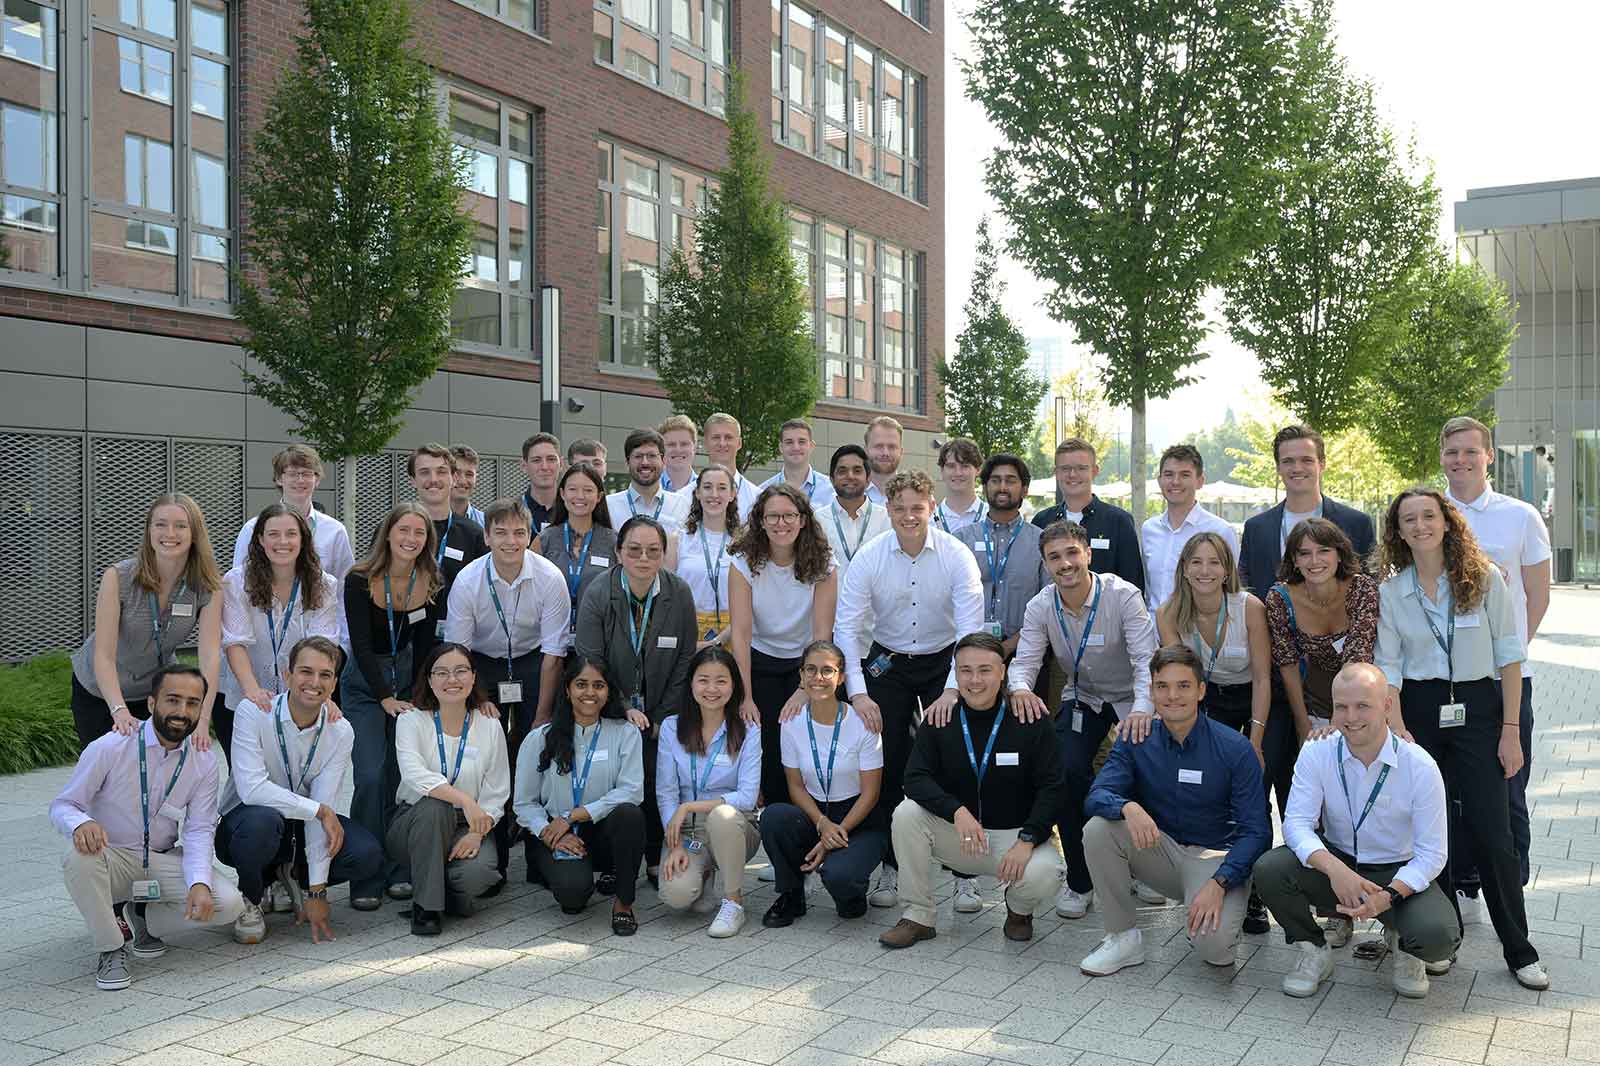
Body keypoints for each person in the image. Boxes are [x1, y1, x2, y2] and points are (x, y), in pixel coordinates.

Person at [1374, 487, 1549, 990]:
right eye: (1409, 519)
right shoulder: (1392, 591)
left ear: (1447, 522)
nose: (1420, 526)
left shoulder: (1483, 578)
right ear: (1399, 531)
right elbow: (1389, 668)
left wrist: (1511, 730)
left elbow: (1510, 657)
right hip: (1422, 714)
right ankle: (1443, 938)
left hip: (1479, 710)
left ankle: (1520, 949)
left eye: (1429, 515)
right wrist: (1397, 726)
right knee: (1435, 830)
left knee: (1494, 830)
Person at [1255, 663, 1460, 1000]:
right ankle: (1314, 950)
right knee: (1269, 870)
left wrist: (1389, 895)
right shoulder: (1317, 751)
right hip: (1339, 864)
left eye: (1363, 705)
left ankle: (1403, 944)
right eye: (1341, 707)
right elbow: (1295, 824)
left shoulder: (1420, 766)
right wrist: (1336, 871)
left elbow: (1433, 854)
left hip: (1397, 871)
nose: (1350, 717)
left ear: (1387, 706)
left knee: (1438, 938)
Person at [834, 470, 983, 909]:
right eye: (898, 508)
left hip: (945, 659)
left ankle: (964, 872)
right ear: (888, 509)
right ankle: (891, 867)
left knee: (955, 757)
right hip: (888, 661)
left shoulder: (957, 555)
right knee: (887, 759)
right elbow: (847, 626)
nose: (907, 516)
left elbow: (971, 629)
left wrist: (955, 690)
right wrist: (858, 692)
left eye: (916, 507)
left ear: (931, 507)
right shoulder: (870, 556)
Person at [1076, 645, 1270, 975]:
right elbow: (1097, 796)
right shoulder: (1136, 737)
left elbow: (1258, 831)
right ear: (1151, 691)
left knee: (1217, 952)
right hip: (1161, 852)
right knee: (1099, 829)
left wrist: (1220, 882)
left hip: (1214, 860)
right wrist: (1128, 807)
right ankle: (1123, 938)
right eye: (1162, 686)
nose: (1172, 696)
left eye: (1183, 686)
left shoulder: (1234, 748)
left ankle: (1212, 910)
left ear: (1201, 691)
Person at [52, 665, 246, 990]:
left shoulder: (203, 761)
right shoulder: (111, 747)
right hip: (111, 858)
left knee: (228, 904)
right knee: (77, 857)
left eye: (192, 703)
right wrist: (80, 823)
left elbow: (199, 829)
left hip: (159, 858)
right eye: (173, 700)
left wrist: (199, 881)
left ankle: (141, 918)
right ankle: (111, 947)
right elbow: (62, 805)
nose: (182, 712)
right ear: (153, 703)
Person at [1004, 520, 1158, 920]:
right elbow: (1024, 663)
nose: (1065, 563)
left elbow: (1146, 663)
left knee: (1142, 773)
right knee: (1065, 773)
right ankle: (1080, 878)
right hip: (1083, 697)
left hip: (1130, 699)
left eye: (1072, 553)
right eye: (1055, 557)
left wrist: (1143, 708)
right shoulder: (1041, 605)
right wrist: (1019, 688)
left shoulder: (1124, 596)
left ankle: (1143, 870)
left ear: (1088, 554)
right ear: (1045, 564)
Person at [878, 634, 1065, 949]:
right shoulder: (940, 717)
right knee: (907, 813)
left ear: (1002, 672)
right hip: (958, 835)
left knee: (1048, 872)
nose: (975, 680)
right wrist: (957, 811)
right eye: (965, 670)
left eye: (984, 670)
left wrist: (1029, 838)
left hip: (1012, 838)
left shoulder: (1029, 717)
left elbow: (1053, 786)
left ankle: (1018, 911)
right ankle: (918, 915)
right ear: (955, 672)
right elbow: (915, 778)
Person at [1239, 424, 1375, 836]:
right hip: (1279, 684)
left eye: (1305, 459)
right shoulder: (1258, 528)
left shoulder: (1356, 522)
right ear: (1278, 467)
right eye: (1288, 461)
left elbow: (1366, 601)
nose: (1297, 468)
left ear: (1322, 463)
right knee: (1266, 784)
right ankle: (1261, 886)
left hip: (1347, 692)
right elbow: (1254, 597)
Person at [1441, 415, 1550, 920]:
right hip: (1444, 681)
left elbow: (1537, 595)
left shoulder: (1521, 516)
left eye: (1469, 451)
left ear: (1488, 456)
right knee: (1451, 786)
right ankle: (1462, 883)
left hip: (1505, 681)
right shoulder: (1428, 514)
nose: (1460, 460)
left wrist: (1507, 659)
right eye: (1451, 452)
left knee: (1508, 785)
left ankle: (1510, 884)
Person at [214, 637, 382, 945]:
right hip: (245, 826)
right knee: (262, 823)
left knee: (365, 854)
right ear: (287, 674)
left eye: (325, 675)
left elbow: (324, 805)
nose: (314, 682)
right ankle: (250, 897)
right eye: (305, 672)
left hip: (298, 828)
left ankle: (294, 877)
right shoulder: (252, 713)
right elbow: (252, 790)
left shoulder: (340, 731)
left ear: (334, 683)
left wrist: (317, 890)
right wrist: (317, 811)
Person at [444, 499, 572, 888]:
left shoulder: (550, 578)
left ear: (530, 536)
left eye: (519, 532)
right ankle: (493, 856)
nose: (510, 541)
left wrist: (541, 715)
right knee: (488, 750)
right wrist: (477, 698)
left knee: (540, 746)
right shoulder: (468, 581)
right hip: (483, 664)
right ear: (486, 537)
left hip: (534, 662)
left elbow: (553, 655)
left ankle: (540, 854)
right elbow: (458, 654)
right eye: (500, 532)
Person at [575, 515, 698, 884]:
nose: (643, 558)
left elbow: (685, 660)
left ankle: (654, 852)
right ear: (618, 552)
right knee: (615, 778)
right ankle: (613, 861)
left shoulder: (679, 593)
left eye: (653, 551)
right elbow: (589, 660)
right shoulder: (598, 592)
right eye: (634, 550)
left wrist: (663, 714)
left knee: (657, 776)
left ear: (663, 555)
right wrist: (621, 708)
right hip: (609, 707)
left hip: (662, 708)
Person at [342, 503, 444, 909]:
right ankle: (365, 871)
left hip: (409, 682)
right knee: (370, 774)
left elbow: (424, 646)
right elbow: (361, 647)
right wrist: (384, 695)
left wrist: (420, 697)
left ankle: (401, 864)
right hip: (367, 686)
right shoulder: (359, 578)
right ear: (388, 533)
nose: (411, 539)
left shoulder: (432, 580)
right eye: (404, 530)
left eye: (419, 533)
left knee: (405, 776)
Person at [71, 493, 224, 749]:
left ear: (195, 533)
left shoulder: (207, 586)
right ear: (149, 530)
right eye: (160, 524)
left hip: (155, 691)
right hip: (100, 690)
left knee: (153, 773)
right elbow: (104, 654)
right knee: (106, 777)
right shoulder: (118, 578)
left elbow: (209, 656)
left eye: (180, 526)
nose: (169, 533)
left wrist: (202, 718)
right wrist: (118, 709)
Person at [514, 655, 646, 935]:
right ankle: (560, 872)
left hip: (603, 829)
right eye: (581, 684)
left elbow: (632, 791)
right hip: (555, 833)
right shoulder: (540, 738)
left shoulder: (625, 733)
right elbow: (524, 803)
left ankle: (623, 903)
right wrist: (553, 831)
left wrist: (574, 816)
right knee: (573, 897)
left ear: (608, 691)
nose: (589, 692)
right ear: (567, 689)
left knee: (629, 814)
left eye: (598, 685)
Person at [759, 640, 886, 926]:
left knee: (840, 878)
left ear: (841, 677)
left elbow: (871, 793)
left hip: (858, 818)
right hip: (815, 814)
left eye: (827, 671)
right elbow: (795, 786)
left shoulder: (862, 722)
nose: (818, 678)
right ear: (801, 676)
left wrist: (836, 831)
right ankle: (791, 894)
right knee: (775, 817)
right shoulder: (791, 722)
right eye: (811, 670)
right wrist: (822, 825)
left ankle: (852, 894)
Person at [389, 643, 511, 936]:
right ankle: (426, 909)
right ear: (429, 680)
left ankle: (438, 891)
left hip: (467, 825)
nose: (451, 680)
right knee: (435, 807)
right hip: (415, 823)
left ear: (473, 677)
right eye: (441, 672)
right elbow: (414, 775)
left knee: (478, 875)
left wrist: (477, 832)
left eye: (460, 671)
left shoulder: (490, 725)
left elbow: (497, 788)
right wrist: (464, 800)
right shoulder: (411, 720)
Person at [728, 483, 838, 807]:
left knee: (805, 736)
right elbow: (741, 634)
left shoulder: (824, 563)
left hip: (807, 661)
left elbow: (822, 634)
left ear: (803, 520)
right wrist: (745, 696)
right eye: (772, 516)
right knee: (769, 740)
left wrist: (806, 688)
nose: (781, 523)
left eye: (789, 515)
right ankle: (776, 819)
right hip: (760, 658)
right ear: (760, 520)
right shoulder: (742, 561)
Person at [218, 503, 343, 762]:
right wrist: (253, 692)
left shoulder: (323, 584)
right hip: (246, 696)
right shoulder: (237, 581)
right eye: (273, 534)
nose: (282, 541)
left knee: (295, 777)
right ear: (261, 540)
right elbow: (235, 642)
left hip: (301, 698)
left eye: (291, 534)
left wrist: (323, 694)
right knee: (245, 779)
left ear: (303, 539)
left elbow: (323, 646)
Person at [656, 646, 763, 936]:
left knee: (723, 816)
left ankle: (733, 902)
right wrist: (675, 842)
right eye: (703, 680)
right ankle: (704, 873)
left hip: (735, 826)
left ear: (734, 685)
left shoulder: (748, 730)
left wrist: (689, 807)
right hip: (687, 832)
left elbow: (747, 797)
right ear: (690, 683)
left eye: (721, 680)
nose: (712, 689)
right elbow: (666, 793)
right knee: (676, 895)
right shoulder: (671, 728)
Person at [1156, 533, 1270, 757]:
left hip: (1254, 695)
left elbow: (1262, 678)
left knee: (1258, 768)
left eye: (1214, 562)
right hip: (1208, 696)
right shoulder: (1168, 614)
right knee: (1208, 763)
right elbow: (1179, 678)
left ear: (1227, 571)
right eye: (1196, 562)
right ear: (1185, 570)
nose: (1205, 571)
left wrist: (1254, 744)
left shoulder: (1250, 608)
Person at [954, 453, 1048, 659]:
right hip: (969, 652)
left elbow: (1047, 604)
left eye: (1011, 480)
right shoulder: (961, 540)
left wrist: (1007, 647)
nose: (1002, 487)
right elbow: (948, 598)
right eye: (995, 480)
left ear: (1024, 489)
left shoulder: (1042, 542)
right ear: (985, 487)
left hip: (1025, 652)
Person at [1030, 438, 1145, 591]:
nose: (1072, 474)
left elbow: (1133, 582)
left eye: (1081, 468)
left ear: (1095, 471)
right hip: (1052, 613)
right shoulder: (1041, 521)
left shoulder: (1118, 521)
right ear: (1056, 473)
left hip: (1108, 614)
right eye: (1065, 468)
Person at [230, 444, 356, 580]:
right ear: (279, 479)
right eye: (292, 474)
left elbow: (343, 587)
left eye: (307, 474)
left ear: (317, 479)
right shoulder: (253, 528)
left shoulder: (335, 531)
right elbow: (240, 581)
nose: (300, 480)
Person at [1141, 444, 1240, 613]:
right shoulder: (1149, 529)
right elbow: (1149, 589)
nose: (1175, 482)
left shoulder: (1221, 531)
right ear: (1159, 480)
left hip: (1199, 634)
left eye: (1185, 475)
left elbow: (1231, 589)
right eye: (1168, 474)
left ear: (1200, 481)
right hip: (1153, 633)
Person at [537, 464, 617, 641]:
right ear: (562, 494)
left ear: (599, 497)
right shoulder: (544, 539)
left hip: (598, 640)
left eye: (588, 490)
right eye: (573, 489)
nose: (580, 496)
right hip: (548, 639)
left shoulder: (614, 542)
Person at [409, 443, 488, 608]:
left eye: (441, 472)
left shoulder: (475, 533)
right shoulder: (395, 530)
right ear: (412, 481)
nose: (433, 479)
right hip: (406, 628)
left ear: (452, 478)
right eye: (424, 472)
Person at [675, 464, 740, 643]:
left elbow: (751, 603)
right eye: (707, 487)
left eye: (722, 488)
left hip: (733, 635)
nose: (714, 494)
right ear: (697, 493)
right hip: (686, 636)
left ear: (732, 494)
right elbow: (667, 595)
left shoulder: (745, 543)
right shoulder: (678, 539)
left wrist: (717, 641)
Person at [815, 444, 891, 584]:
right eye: (842, 471)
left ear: (868, 479)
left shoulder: (886, 520)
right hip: (830, 604)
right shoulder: (816, 521)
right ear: (831, 479)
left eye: (857, 471)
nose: (850, 476)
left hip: (873, 605)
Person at [604, 428, 690, 536]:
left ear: (663, 461)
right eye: (638, 456)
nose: (645, 462)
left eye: (652, 456)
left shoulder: (682, 505)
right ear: (627, 463)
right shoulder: (609, 506)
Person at [694, 413, 761, 520]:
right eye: (716, 437)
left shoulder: (757, 497)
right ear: (705, 443)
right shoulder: (684, 497)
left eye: (728, 437)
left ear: (739, 443)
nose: (722, 443)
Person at [760, 418, 835, 508]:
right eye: (789, 442)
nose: (796, 447)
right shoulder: (763, 491)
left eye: (802, 442)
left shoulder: (832, 490)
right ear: (781, 447)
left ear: (811, 446)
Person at [931, 437, 987, 533]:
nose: (958, 473)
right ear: (942, 471)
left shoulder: (991, 517)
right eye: (951, 466)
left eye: (965, 466)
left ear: (978, 470)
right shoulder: (929, 521)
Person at [518, 432, 563, 535]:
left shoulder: (575, 509)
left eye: (551, 459)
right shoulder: (511, 511)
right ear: (524, 466)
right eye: (536, 460)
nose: (544, 467)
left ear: (561, 464)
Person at [863, 415, 904, 505]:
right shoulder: (848, 494)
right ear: (866, 450)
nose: (885, 453)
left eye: (892, 447)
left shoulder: (919, 495)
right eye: (879, 446)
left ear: (901, 452)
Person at [659, 413, 699, 494]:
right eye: (671, 444)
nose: (678, 450)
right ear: (661, 449)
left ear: (694, 447)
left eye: (684, 444)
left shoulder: (705, 488)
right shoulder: (648, 488)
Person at [450, 444, 487, 529]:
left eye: (469, 474)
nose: (463, 481)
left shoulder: (486, 523)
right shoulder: (428, 521)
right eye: (457, 473)